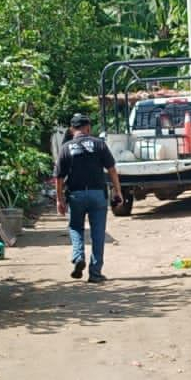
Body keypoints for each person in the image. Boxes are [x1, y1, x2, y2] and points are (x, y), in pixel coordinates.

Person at [53, 113, 123, 282]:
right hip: (98, 195)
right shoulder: (99, 144)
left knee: (76, 227)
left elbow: (59, 178)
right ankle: (95, 273)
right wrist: (117, 191)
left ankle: (78, 257)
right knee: (98, 233)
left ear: (71, 129)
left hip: (76, 195)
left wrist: (59, 199)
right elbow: (112, 169)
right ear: (88, 128)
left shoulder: (66, 148)